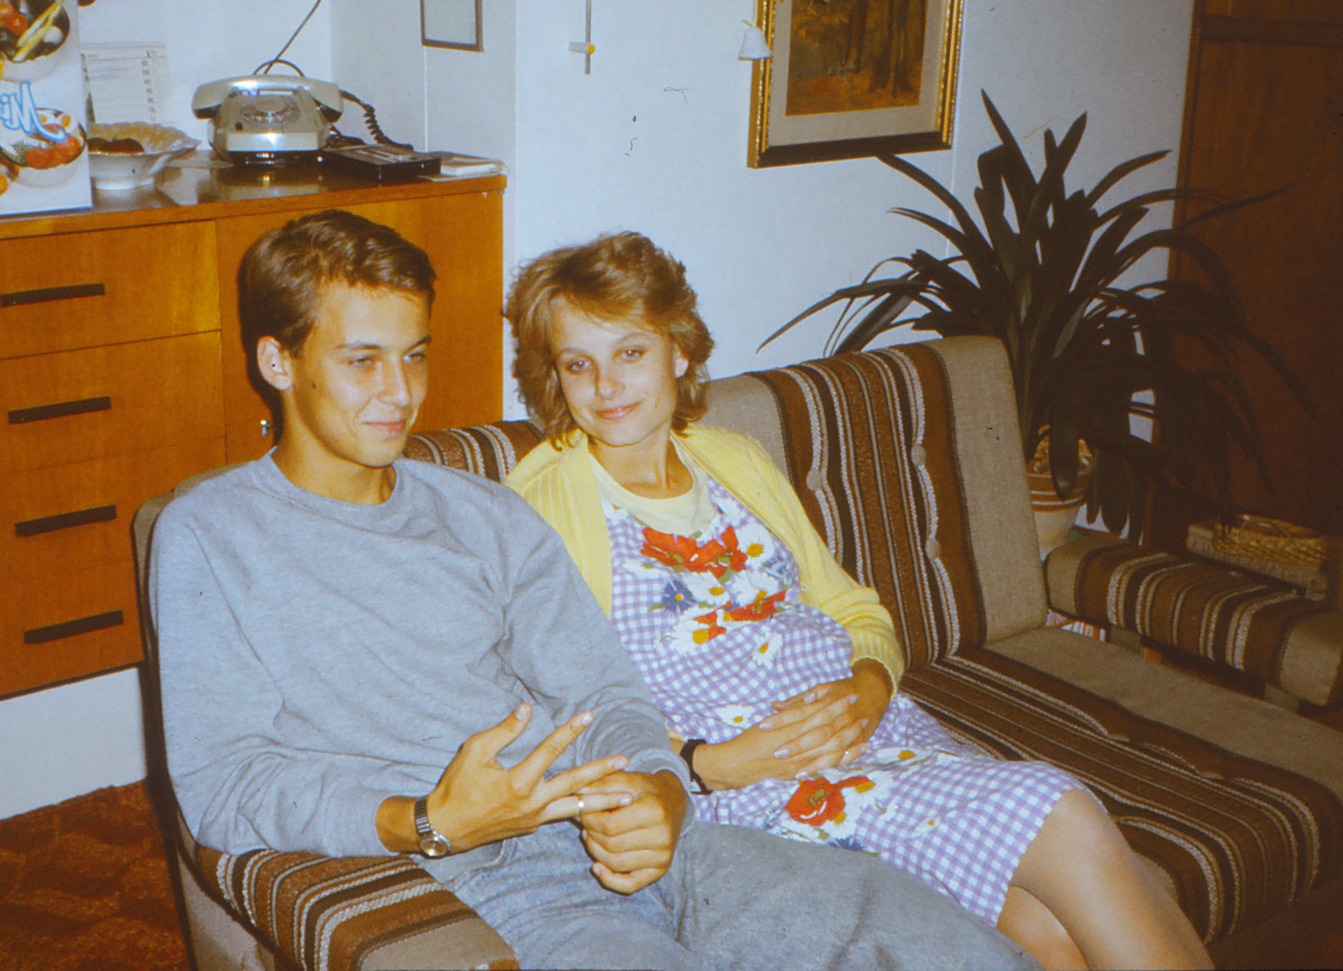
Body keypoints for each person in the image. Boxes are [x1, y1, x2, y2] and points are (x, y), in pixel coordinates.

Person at [151, 210, 1036, 971]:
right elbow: (223, 785)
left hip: (662, 845)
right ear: (278, 360)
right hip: (502, 886)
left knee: (947, 945)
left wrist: (660, 793)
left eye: (414, 356)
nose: (400, 393)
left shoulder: (483, 513)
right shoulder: (211, 535)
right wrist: (426, 821)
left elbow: (604, 691)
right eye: (362, 361)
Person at [503, 230, 1213, 971]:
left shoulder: (732, 459)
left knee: (1046, 934)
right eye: (578, 364)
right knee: (1065, 811)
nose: (606, 386)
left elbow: (855, 610)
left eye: (629, 353)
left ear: (678, 351)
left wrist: (871, 684)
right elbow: (547, 699)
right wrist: (701, 765)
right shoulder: (542, 502)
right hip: (745, 789)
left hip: (874, 737)